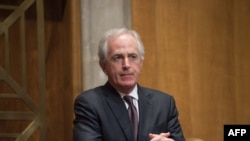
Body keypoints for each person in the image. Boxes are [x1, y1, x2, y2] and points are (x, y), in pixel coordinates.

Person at [73, 28, 185, 141]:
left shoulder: (164, 103)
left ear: (140, 62)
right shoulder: (90, 103)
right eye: (117, 58)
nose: (126, 64)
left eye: (133, 57)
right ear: (103, 66)